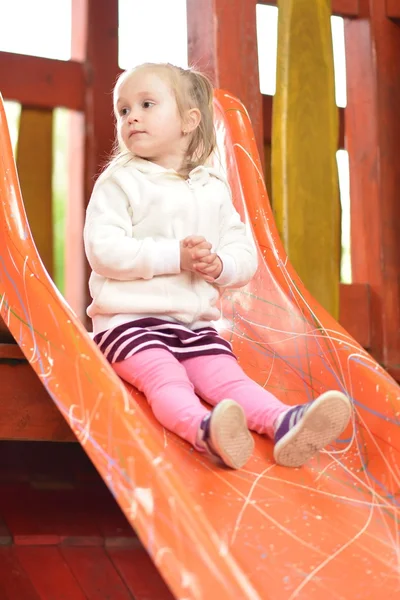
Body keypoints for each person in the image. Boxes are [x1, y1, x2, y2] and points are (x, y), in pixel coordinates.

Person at [84, 62, 351, 470]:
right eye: (123, 110)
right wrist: (176, 256)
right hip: (129, 324)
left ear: (189, 121)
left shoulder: (212, 188)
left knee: (230, 381)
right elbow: (104, 250)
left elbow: (244, 255)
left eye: (146, 104)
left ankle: (283, 422)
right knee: (166, 380)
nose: (131, 116)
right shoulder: (120, 181)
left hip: (194, 326)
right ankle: (203, 430)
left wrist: (218, 265)